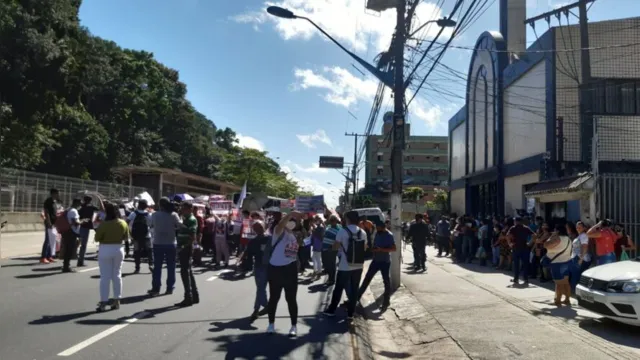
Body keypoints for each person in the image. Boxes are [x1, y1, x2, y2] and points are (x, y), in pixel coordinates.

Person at [323, 210, 367, 320]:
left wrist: (332, 248)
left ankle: (331, 310)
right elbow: (365, 248)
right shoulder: (363, 232)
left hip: (345, 265)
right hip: (358, 265)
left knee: (338, 288)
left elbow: (336, 246)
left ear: (347, 219)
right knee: (355, 288)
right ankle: (351, 313)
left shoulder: (343, 231)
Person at [265, 211, 303, 336]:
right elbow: (281, 224)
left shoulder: (291, 233)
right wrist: (291, 213)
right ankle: (271, 324)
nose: (291, 223)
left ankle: (293, 326)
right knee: (274, 298)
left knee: (291, 299)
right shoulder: (278, 230)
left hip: (290, 269)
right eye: (289, 221)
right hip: (276, 269)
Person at [94, 202, 128, 312]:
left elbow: (97, 238)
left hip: (105, 249)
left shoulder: (104, 224)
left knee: (105, 277)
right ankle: (117, 300)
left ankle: (103, 302)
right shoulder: (123, 223)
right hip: (119, 248)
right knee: (117, 275)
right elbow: (126, 238)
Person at [357, 220, 395, 309]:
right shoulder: (377, 233)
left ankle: (386, 301)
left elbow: (393, 248)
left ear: (383, 227)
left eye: (379, 228)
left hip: (385, 262)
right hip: (375, 261)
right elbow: (375, 245)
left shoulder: (389, 235)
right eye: (376, 228)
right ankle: (357, 298)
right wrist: (373, 250)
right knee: (367, 279)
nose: (377, 229)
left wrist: (381, 250)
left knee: (386, 281)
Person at [148, 197, 182, 297]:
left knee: (157, 267)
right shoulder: (174, 214)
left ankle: (156, 289)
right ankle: (170, 288)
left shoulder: (154, 214)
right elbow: (179, 226)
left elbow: (150, 225)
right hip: (171, 243)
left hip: (158, 243)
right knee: (171, 266)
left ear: (160, 205)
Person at [176, 202, 199, 307]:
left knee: (185, 272)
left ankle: (188, 297)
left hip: (186, 248)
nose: (182, 210)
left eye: (184, 208)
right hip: (183, 247)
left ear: (190, 209)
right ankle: (194, 295)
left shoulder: (191, 219)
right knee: (188, 272)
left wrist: (184, 246)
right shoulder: (185, 219)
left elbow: (193, 236)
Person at [544, 224, 573, 306]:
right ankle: (567, 300)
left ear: (557, 231)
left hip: (557, 263)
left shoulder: (557, 238)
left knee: (559, 283)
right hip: (567, 262)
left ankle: (558, 301)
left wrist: (550, 237)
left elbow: (546, 245)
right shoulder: (568, 239)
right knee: (566, 282)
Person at [247, 220, 270, 321]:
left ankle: (262, 308)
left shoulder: (270, 239)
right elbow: (249, 254)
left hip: (268, 267)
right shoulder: (253, 241)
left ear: (264, 227)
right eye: (256, 228)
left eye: (260, 227)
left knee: (260, 288)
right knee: (260, 289)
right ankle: (262, 308)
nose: (258, 229)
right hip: (257, 267)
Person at [508, 216, 535, 287]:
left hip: (516, 248)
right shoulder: (526, 228)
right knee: (525, 264)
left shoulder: (513, 228)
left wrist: (510, 244)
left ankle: (516, 279)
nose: (514, 222)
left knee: (516, 264)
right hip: (525, 248)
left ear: (517, 221)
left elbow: (507, 235)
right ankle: (525, 279)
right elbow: (534, 235)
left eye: (515, 221)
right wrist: (530, 243)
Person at [128, 199, 153, 274]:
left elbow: (127, 221)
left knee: (137, 251)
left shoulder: (133, 213)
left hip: (136, 235)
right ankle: (151, 264)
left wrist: (130, 232)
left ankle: (137, 268)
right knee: (149, 250)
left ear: (138, 205)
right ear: (145, 206)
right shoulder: (148, 214)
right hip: (146, 235)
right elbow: (150, 224)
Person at [77, 195, 100, 267]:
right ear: (90, 201)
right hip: (85, 227)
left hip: (78, 226)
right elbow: (100, 209)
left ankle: (77, 258)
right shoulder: (91, 207)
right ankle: (81, 261)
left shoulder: (80, 207)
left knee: (79, 243)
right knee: (83, 244)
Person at [61, 198, 83, 273]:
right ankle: (66, 267)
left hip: (67, 231)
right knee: (69, 250)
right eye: (80, 203)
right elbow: (75, 222)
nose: (81, 205)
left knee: (67, 249)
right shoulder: (74, 211)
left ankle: (65, 265)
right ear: (76, 203)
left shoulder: (68, 209)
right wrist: (82, 221)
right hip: (71, 232)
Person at [569, 221, 591, 292]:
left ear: (584, 228)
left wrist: (581, 259)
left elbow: (585, 247)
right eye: (577, 227)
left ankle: (574, 291)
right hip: (576, 257)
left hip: (580, 258)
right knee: (575, 275)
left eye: (580, 227)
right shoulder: (579, 236)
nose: (578, 228)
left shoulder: (584, 235)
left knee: (576, 276)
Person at [41, 188, 60, 264]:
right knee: (47, 240)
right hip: (49, 223)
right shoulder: (48, 201)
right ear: (53, 193)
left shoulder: (54, 202)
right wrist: (48, 222)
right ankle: (43, 257)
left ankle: (49, 256)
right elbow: (47, 212)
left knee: (52, 240)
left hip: (54, 223)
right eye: (57, 193)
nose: (58, 195)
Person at [322, 215, 342, 285]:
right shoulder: (329, 227)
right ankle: (330, 278)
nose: (332, 222)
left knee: (331, 265)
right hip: (325, 248)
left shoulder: (339, 228)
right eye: (331, 221)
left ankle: (331, 279)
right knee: (327, 264)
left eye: (333, 221)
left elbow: (339, 239)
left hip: (331, 248)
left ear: (336, 221)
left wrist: (332, 247)